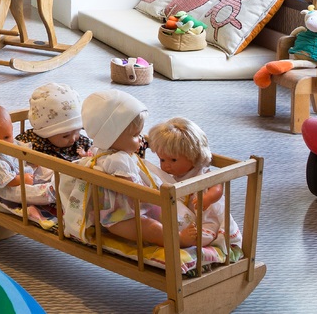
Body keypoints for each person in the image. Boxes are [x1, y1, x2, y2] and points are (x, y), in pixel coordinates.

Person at [61, 88, 198, 248]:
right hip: (120, 217)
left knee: (157, 219)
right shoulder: (119, 160)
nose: (140, 139)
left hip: (125, 211)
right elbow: (132, 189)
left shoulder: (103, 151)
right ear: (111, 136)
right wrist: (154, 196)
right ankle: (178, 239)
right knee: (148, 227)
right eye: (135, 135)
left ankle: (178, 227)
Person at [146, 117, 242, 253]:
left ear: (193, 155)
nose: (166, 165)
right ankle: (180, 236)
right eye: (162, 160)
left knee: (204, 234)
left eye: (173, 160)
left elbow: (218, 186)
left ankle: (188, 241)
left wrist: (209, 197)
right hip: (186, 218)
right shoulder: (174, 177)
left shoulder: (201, 173)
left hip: (207, 219)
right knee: (157, 224)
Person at [0, 104, 57, 229]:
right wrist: (22, 179)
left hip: (26, 173)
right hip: (10, 188)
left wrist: (31, 159)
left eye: (7, 136)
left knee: (48, 169)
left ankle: (61, 177)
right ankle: (50, 192)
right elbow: (9, 181)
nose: (5, 143)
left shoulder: (11, 143)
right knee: (28, 192)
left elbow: (23, 150)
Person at [16, 82, 92, 162]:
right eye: (66, 136)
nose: (73, 139)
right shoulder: (34, 144)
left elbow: (95, 153)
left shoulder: (81, 143)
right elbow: (15, 153)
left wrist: (88, 155)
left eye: (78, 131)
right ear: (46, 133)